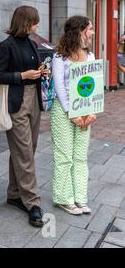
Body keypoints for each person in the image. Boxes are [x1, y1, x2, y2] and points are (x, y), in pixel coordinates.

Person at [0, 5, 48, 228]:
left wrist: (40, 72)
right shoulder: (5, 46)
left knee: (28, 149)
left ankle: (14, 193)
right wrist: (22, 75)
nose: (37, 26)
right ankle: (33, 202)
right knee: (24, 151)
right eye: (34, 22)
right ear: (25, 22)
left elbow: (33, 68)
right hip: (17, 102)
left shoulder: (32, 43)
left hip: (33, 98)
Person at [51, 16, 97, 215]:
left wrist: (91, 111)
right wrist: (71, 112)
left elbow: (93, 87)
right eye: (90, 29)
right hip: (63, 110)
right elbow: (59, 86)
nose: (92, 33)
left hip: (85, 112)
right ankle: (64, 198)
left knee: (80, 157)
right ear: (80, 31)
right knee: (64, 157)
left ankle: (80, 198)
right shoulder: (60, 56)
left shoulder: (91, 56)